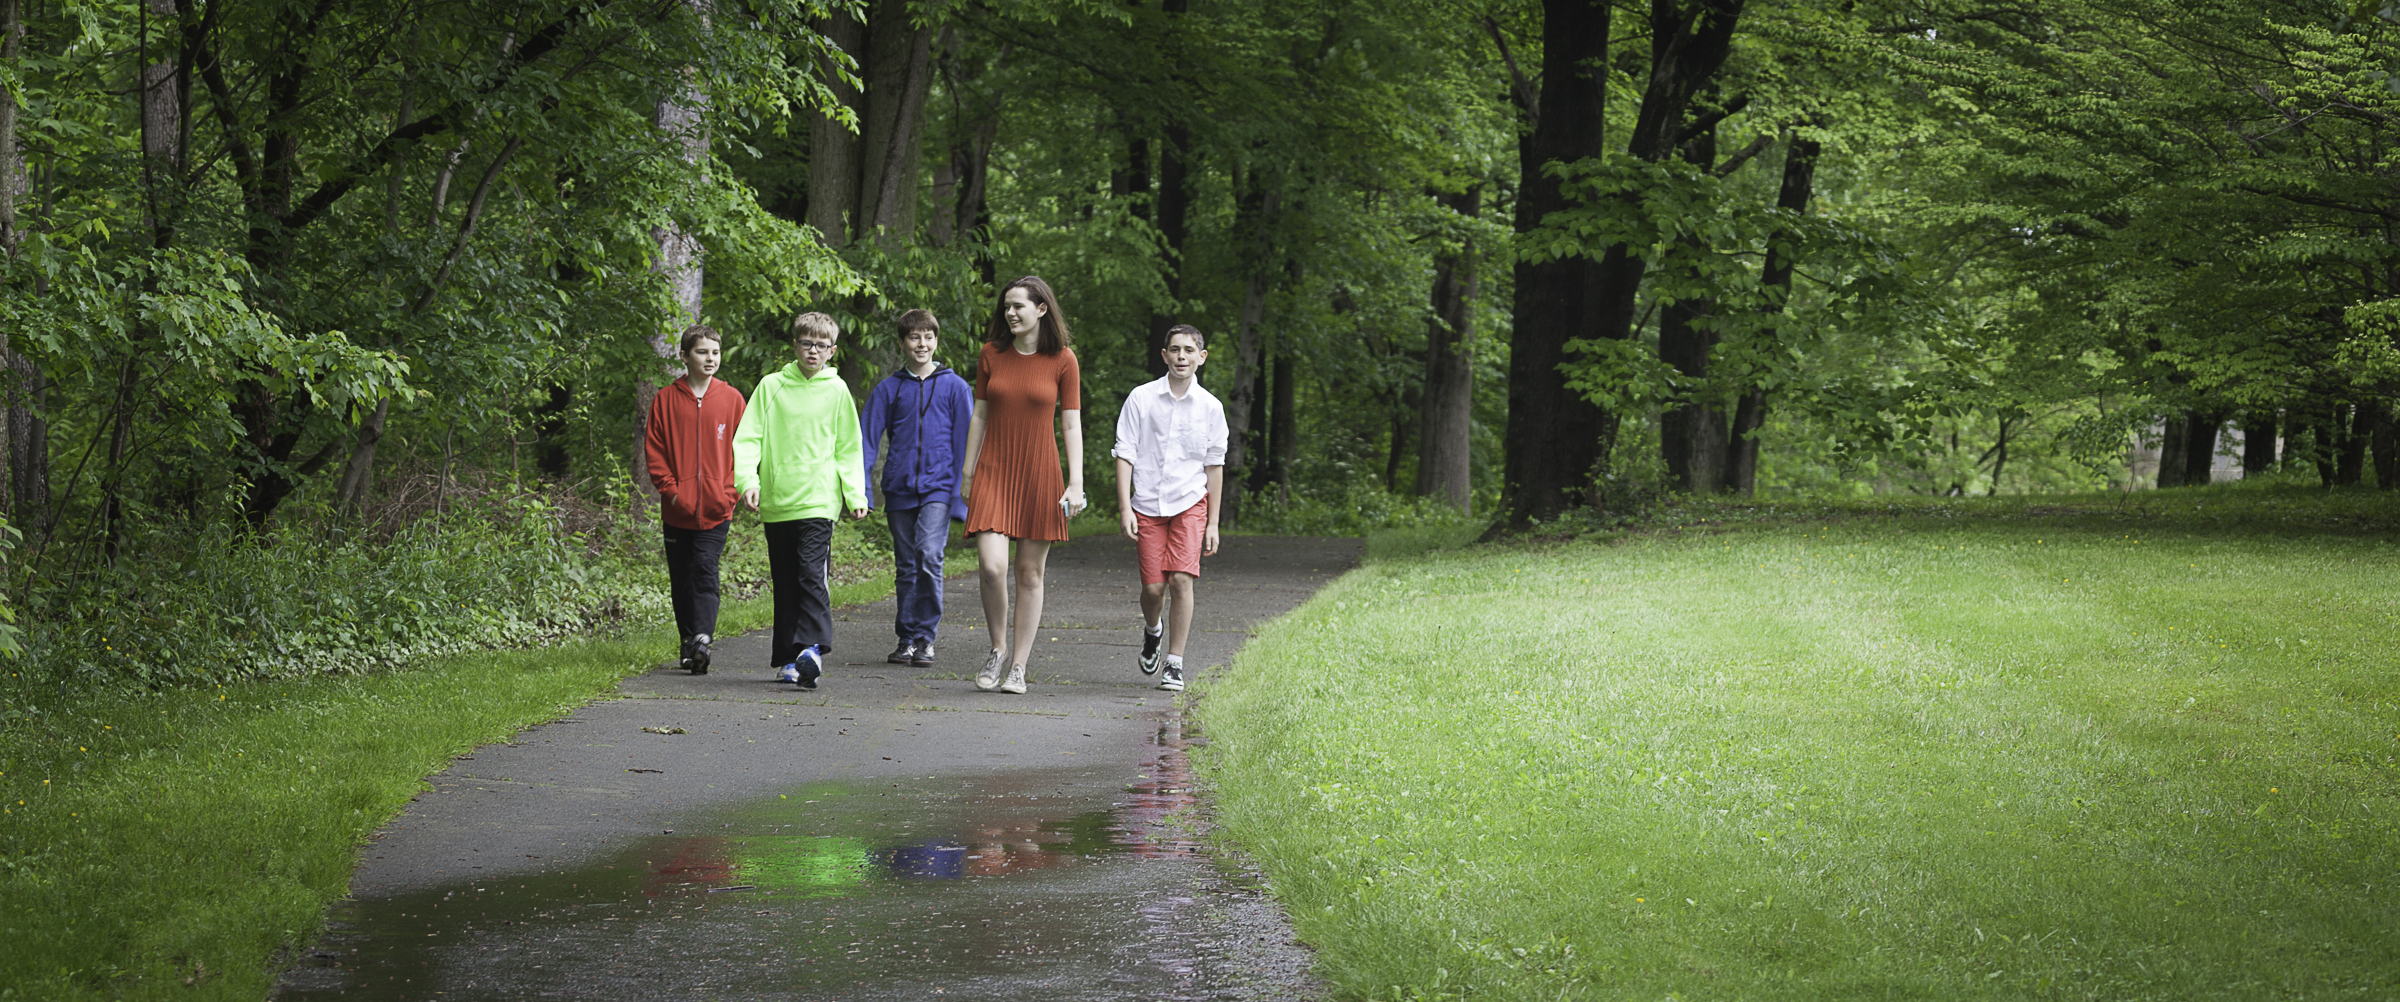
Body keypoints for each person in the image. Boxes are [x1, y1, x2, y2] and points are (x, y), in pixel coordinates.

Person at [958, 276, 1087, 694]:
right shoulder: (990, 354)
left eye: (1019, 306)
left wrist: (1076, 482)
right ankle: (997, 648)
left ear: (1042, 309)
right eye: (1007, 307)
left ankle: (1018, 665)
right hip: (994, 469)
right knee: (992, 566)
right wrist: (967, 472)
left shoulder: (1063, 360)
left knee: (1029, 572)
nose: (1011, 313)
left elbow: (1071, 422)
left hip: (1039, 472)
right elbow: (979, 415)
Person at [732, 312, 870, 689]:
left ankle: (812, 648)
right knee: (786, 581)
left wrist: (854, 492)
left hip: (819, 500)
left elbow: (848, 446)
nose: (813, 350)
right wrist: (748, 480)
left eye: (821, 345)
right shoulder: (771, 386)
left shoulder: (837, 390)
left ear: (832, 350)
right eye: (807, 343)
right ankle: (788, 660)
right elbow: (747, 438)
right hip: (778, 500)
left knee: (812, 575)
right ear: (794, 346)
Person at [1113, 324, 1226, 692]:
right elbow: (1125, 454)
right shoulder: (1141, 399)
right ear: (1164, 355)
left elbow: (1214, 466)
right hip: (1146, 504)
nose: (1181, 357)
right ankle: (1152, 630)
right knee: (1153, 588)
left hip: (1190, 503)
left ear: (1201, 357)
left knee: (1180, 579)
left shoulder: (1211, 407)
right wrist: (1125, 508)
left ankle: (1175, 663)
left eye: (1189, 351)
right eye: (1175, 350)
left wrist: (1213, 523)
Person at [859, 308, 973, 669]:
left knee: (928, 555)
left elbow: (966, 442)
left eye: (928, 337)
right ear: (902, 343)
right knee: (906, 565)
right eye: (914, 337)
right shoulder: (889, 388)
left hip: (939, 488)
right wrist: (862, 489)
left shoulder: (955, 387)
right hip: (899, 488)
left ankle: (926, 638)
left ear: (936, 341)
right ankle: (906, 638)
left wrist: (962, 495)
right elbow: (865, 440)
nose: (921, 344)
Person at [644, 324, 748, 675]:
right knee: (682, 577)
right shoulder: (665, 399)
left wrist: (730, 491)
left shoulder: (732, 399)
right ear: (685, 356)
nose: (710, 358)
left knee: (705, 568)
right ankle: (688, 642)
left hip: (718, 508)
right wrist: (672, 492)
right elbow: (655, 451)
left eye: (715, 352)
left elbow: (744, 449)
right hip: (678, 509)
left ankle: (703, 638)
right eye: (702, 352)